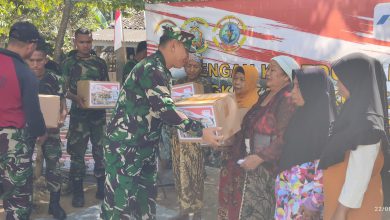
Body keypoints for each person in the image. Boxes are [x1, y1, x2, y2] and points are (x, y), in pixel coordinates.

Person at [101, 26, 222, 220]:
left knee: (145, 203)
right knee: (119, 205)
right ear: (174, 46)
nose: (188, 56)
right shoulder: (152, 69)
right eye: (187, 49)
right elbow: (165, 110)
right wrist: (201, 130)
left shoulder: (161, 70)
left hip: (144, 148)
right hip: (126, 149)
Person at [319, 53, 389, 220]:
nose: (336, 83)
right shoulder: (353, 114)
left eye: (341, 78)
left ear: (356, 80)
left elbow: (360, 172)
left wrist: (341, 211)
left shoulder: (367, 123)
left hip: (353, 212)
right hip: (339, 204)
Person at [238, 55, 299, 220]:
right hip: (254, 164)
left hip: (269, 168)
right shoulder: (266, 94)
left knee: (261, 212)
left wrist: (259, 157)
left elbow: (284, 137)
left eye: (273, 70)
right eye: (268, 69)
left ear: (286, 76)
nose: (267, 73)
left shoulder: (287, 98)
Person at [275, 67, 337, 220]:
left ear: (311, 89)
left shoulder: (325, 125)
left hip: (304, 204)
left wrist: (314, 202)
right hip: (287, 199)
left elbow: (326, 169)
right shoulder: (299, 116)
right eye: (293, 86)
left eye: (298, 86)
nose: (292, 91)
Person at [0, 21, 47, 219]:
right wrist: (41, 132)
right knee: (17, 197)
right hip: (13, 142)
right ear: (31, 45)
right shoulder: (25, 73)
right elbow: (33, 113)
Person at [61, 27, 109, 207]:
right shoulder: (68, 63)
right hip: (79, 116)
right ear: (75, 42)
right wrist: (75, 98)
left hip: (98, 115)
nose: (85, 45)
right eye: (82, 42)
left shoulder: (100, 63)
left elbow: (106, 86)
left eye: (88, 42)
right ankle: (78, 191)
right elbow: (63, 89)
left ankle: (101, 188)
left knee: (100, 151)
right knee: (77, 154)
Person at [26, 40, 68, 220]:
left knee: (53, 166)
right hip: (26, 132)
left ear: (45, 60)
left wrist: (61, 118)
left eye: (39, 60)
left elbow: (63, 106)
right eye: (32, 60)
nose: (35, 64)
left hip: (50, 131)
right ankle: (26, 204)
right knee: (23, 168)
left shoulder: (56, 80)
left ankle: (54, 204)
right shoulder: (22, 78)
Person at [169, 53, 213, 220]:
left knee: (195, 173)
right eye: (189, 66)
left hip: (196, 137)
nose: (191, 69)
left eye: (195, 66)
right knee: (180, 172)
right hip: (179, 136)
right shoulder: (178, 84)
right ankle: (184, 209)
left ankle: (197, 210)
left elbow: (209, 110)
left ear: (200, 67)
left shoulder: (205, 84)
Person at [217, 65, 259, 220]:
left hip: (244, 161)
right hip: (228, 158)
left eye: (243, 79)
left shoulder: (256, 105)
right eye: (235, 78)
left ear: (252, 81)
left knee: (239, 199)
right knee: (225, 194)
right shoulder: (229, 100)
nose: (238, 83)